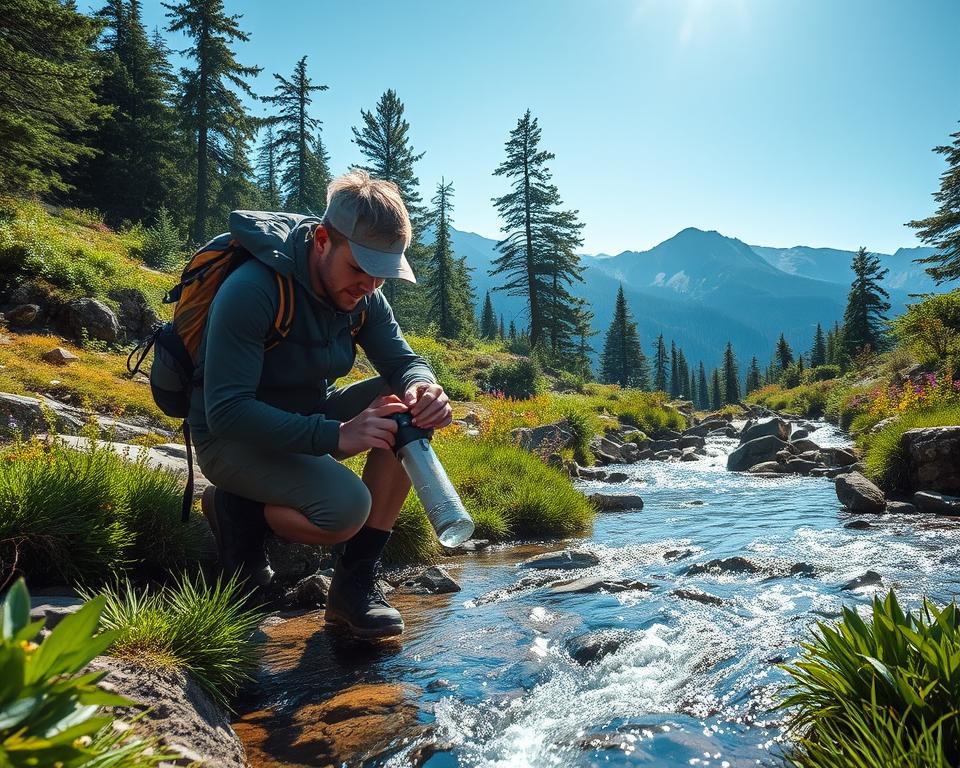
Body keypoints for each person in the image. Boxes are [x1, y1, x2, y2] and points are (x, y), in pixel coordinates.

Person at [190, 169, 452, 638]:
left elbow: (403, 360)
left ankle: (353, 588)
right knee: (346, 509)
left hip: (306, 417)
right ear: (323, 241)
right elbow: (226, 411)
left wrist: (424, 387)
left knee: (405, 407)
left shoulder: (365, 294)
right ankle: (236, 512)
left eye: (383, 273)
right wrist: (335, 436)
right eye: (360, 268)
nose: (370, 284)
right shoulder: (253, 290)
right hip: (231, 438)